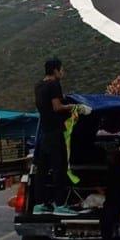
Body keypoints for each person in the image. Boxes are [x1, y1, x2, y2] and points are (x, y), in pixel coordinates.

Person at [33, 58, 90, 216]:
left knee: (42, 170)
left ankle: (39, 204)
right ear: (55, 70)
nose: (62, 72)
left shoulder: (38, 86)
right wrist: (76, 107)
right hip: (54, 134)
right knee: (60, 169)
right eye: (61, 69)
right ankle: (59, 205)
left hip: (43, 134)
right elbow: (57, 107)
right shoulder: (54, 84)